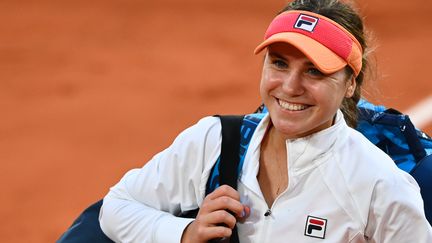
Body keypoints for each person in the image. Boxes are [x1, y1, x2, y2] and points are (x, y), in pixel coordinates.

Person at [99, 0, 432, 242]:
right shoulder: (215, 142)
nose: (289, 86)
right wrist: (185, 233)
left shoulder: (378, 184)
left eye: (314, 70)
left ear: (349, 85)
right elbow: (117, 207)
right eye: (279, 63)